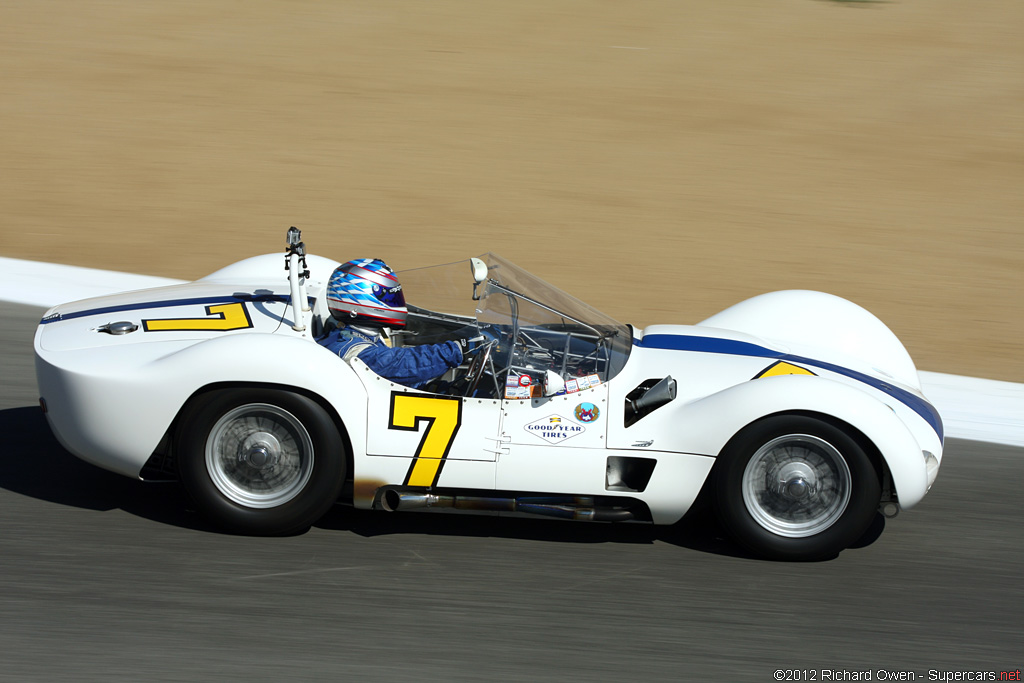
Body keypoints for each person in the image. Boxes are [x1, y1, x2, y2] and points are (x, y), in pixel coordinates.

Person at [317, 258, 483, 389]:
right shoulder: (351, 349)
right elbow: (399, 364)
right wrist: (458, 349)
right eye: (388, 296)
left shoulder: (363, 334)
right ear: (357, 301)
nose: (395, 301)